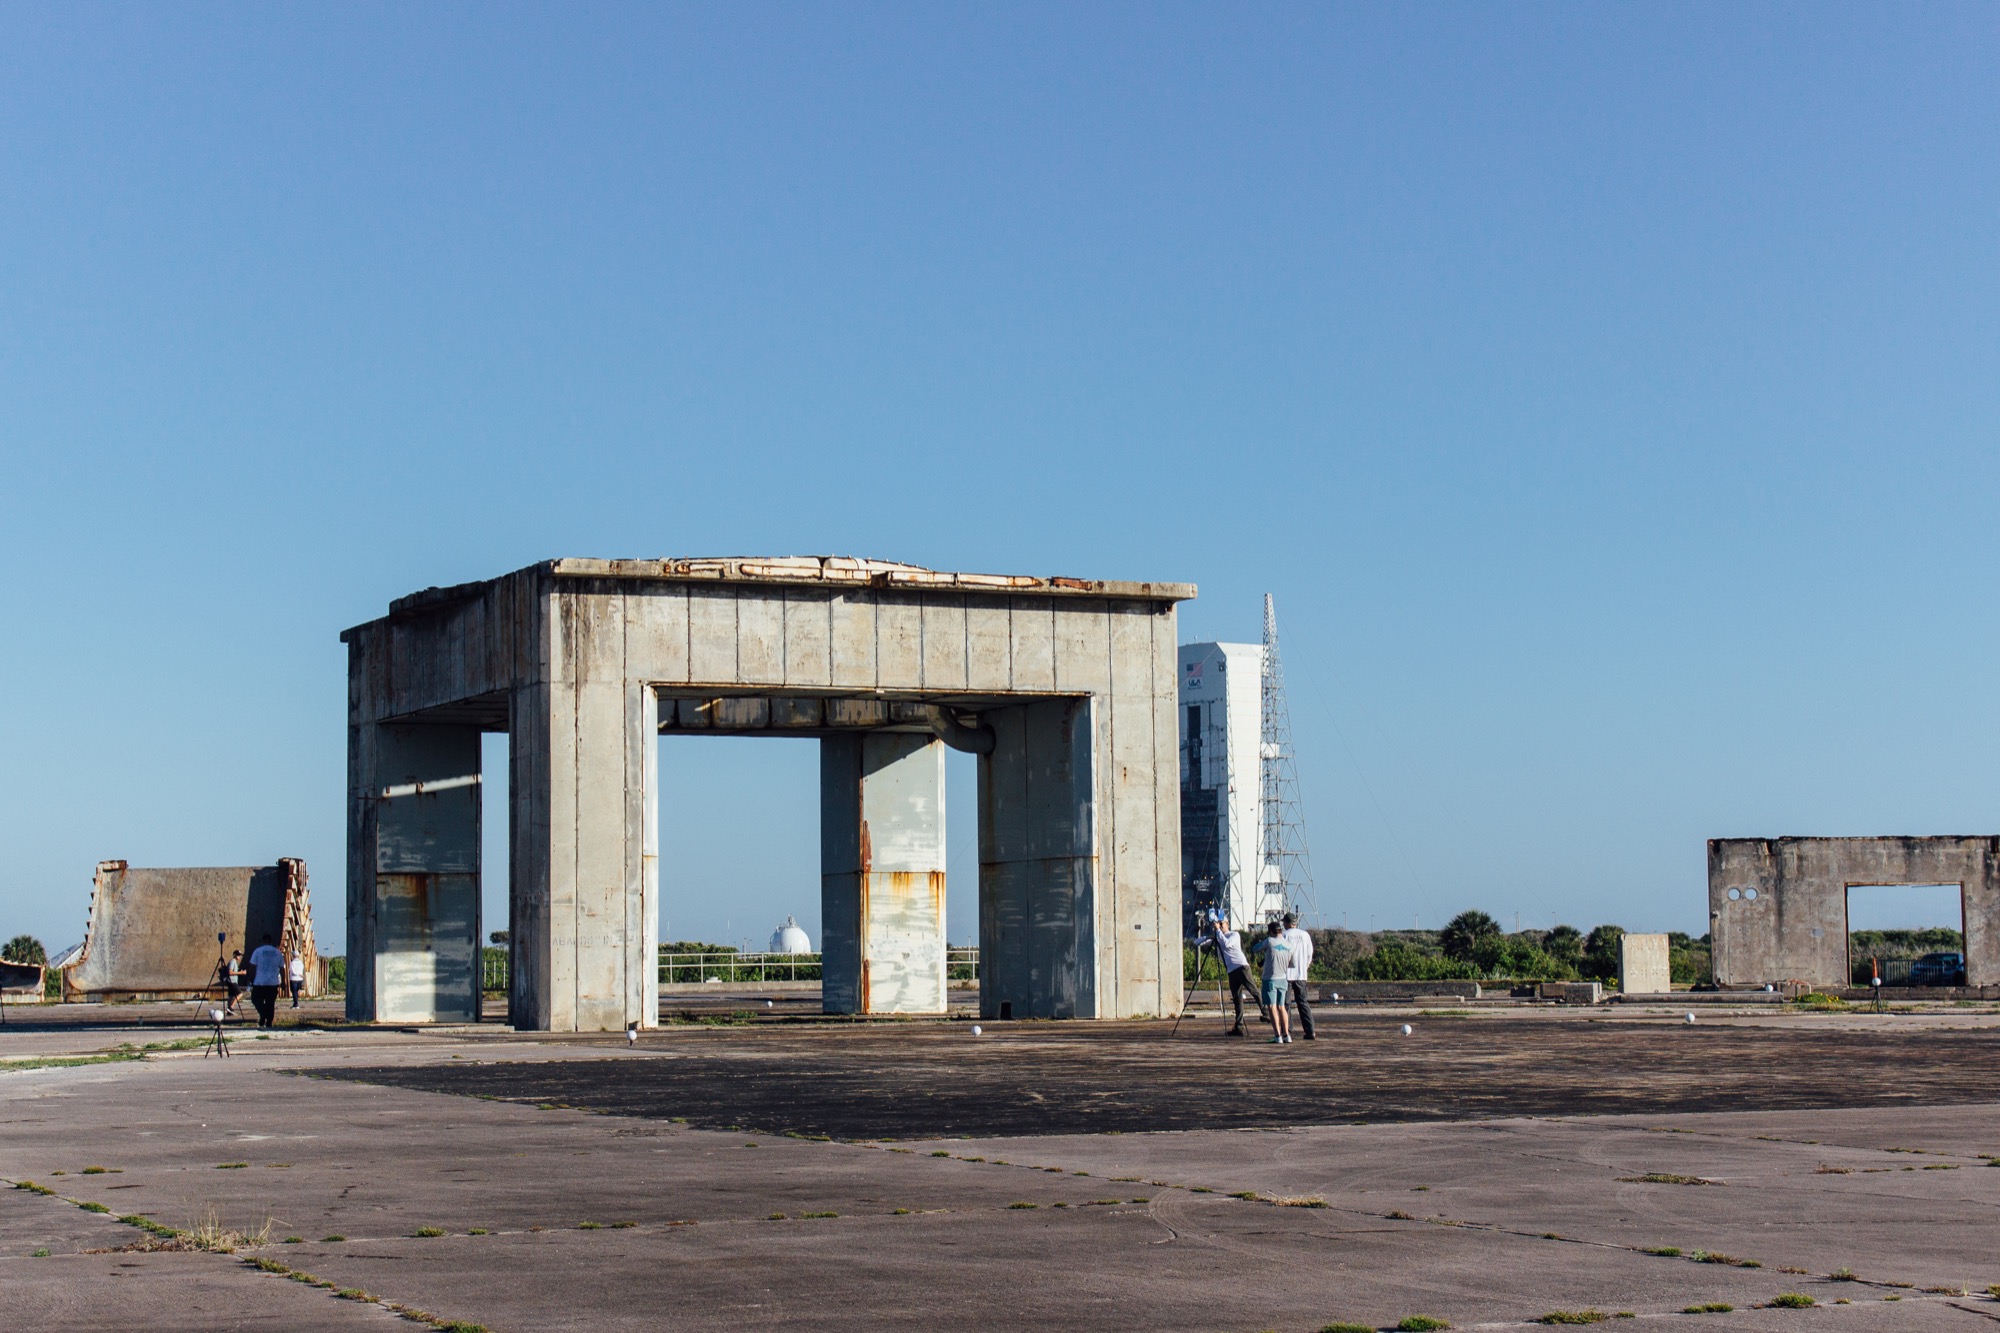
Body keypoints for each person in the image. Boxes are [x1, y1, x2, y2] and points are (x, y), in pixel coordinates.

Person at [1207, 913, 1265, 1037]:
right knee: (1237, 998)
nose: (1220, 926)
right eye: (1218, 924)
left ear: (1227, 924)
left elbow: (1227, 944)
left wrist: (1218, 931)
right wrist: (1211, 936)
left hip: (1241, 966)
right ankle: (1239, 1026)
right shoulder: (1218, 936)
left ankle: (1265, 1011)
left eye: (1222, 924)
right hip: (1231, 970)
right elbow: (1198, 942)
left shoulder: (1234, 935)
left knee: (1253, 989)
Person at [1251, 921, 1294, 1044]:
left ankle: (1277, 1036)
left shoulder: (1269, 941)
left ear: (1271, 931)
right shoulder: (1289, 945)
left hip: (1270, 979)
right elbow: (1292, 964)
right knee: (1281, 1007)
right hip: (1283, 979)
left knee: (1272, 1007)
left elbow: (1255, 949)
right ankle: (1287, 1035)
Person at [1280, 912, 1316, 1040]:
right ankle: (1310, 1031)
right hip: (1301, 974)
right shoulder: (1305, 935)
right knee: (1303, 1003)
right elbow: (1309, 954)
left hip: (1286, 974)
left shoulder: (1284, 935)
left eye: (1284, 922)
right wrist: (1304, 967)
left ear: (1287, 923)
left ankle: (1287, 1030)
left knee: (1285, 1004)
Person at [247, 934, 285, 1029]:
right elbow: (282, 968)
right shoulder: (277, 952)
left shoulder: (257, 951)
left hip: (259, 981)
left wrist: (251, 978)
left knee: (255, 999)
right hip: (272, 982)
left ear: (263, 940)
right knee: (270, 1003)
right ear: (271, 940)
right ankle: (269, 1022)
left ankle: (263, 1013)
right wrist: (283, 981)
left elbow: (252, 966)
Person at [223, 949, 246, 1015]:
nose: (239, 957)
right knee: (239, 994)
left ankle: (228, 1011)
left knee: (231, 995)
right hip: (232, 981)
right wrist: (241, 973)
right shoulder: (232, 961)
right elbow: (230, 972)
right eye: (238, 955)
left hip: (231, 981)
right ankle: (231, 1007)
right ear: (235, 955)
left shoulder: (234, 962)